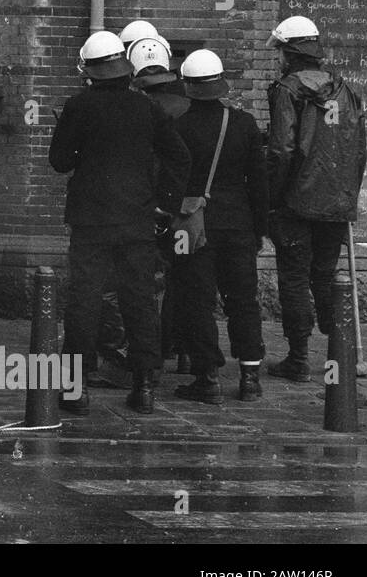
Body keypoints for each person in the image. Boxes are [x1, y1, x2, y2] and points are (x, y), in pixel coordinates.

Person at [49, 31, 190, 415]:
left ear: (88, 71)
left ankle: (75, 388)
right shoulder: (146, 108)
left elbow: (60, 161)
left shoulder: (78, 107)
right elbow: (179, 157)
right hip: (136, 221)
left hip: (90, 222)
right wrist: (165, 204)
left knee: (83, 302)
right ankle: (145, 386)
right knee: (140, 302)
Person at [265, 16, 367, 382]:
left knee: (294, 277)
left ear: (289, 52)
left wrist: (272, 199)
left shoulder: (287, 90)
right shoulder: (345, 89)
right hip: (334, 203)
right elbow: (358, 151)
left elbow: (281, 150)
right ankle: (337, 351)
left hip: (295, 202)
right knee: (324, 276)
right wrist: (347, 195)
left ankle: (298, 357)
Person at [171, 51, 268, 403]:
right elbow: (259, 182)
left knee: (196, 299)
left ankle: (207, 376)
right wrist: (259, 230)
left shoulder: (179, 127)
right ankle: (250, 375)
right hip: (240, 224)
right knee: (243, 300)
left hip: (194, 228)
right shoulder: (243, 124)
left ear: (188, 86)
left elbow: (170, 180)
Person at [128, 34, 192, 373]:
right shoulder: (187, 107)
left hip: (143, 205)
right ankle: (178, 348)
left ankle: (147, 352)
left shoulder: (135, 109)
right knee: (181, 277)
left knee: (144, 281)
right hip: (182, 207)